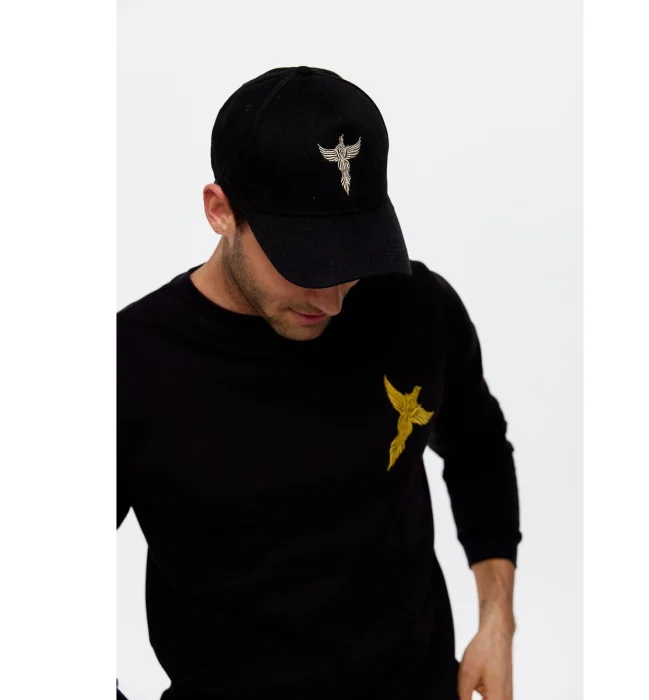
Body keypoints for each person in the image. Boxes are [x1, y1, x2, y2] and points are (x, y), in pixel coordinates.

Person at [117, 65, 522, 700]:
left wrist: (497, 622)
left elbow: (478, 448)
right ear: (220, 211)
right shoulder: (129, 365)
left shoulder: (417, 308)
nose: (332, 300)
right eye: (305, 263)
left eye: (352, 257)